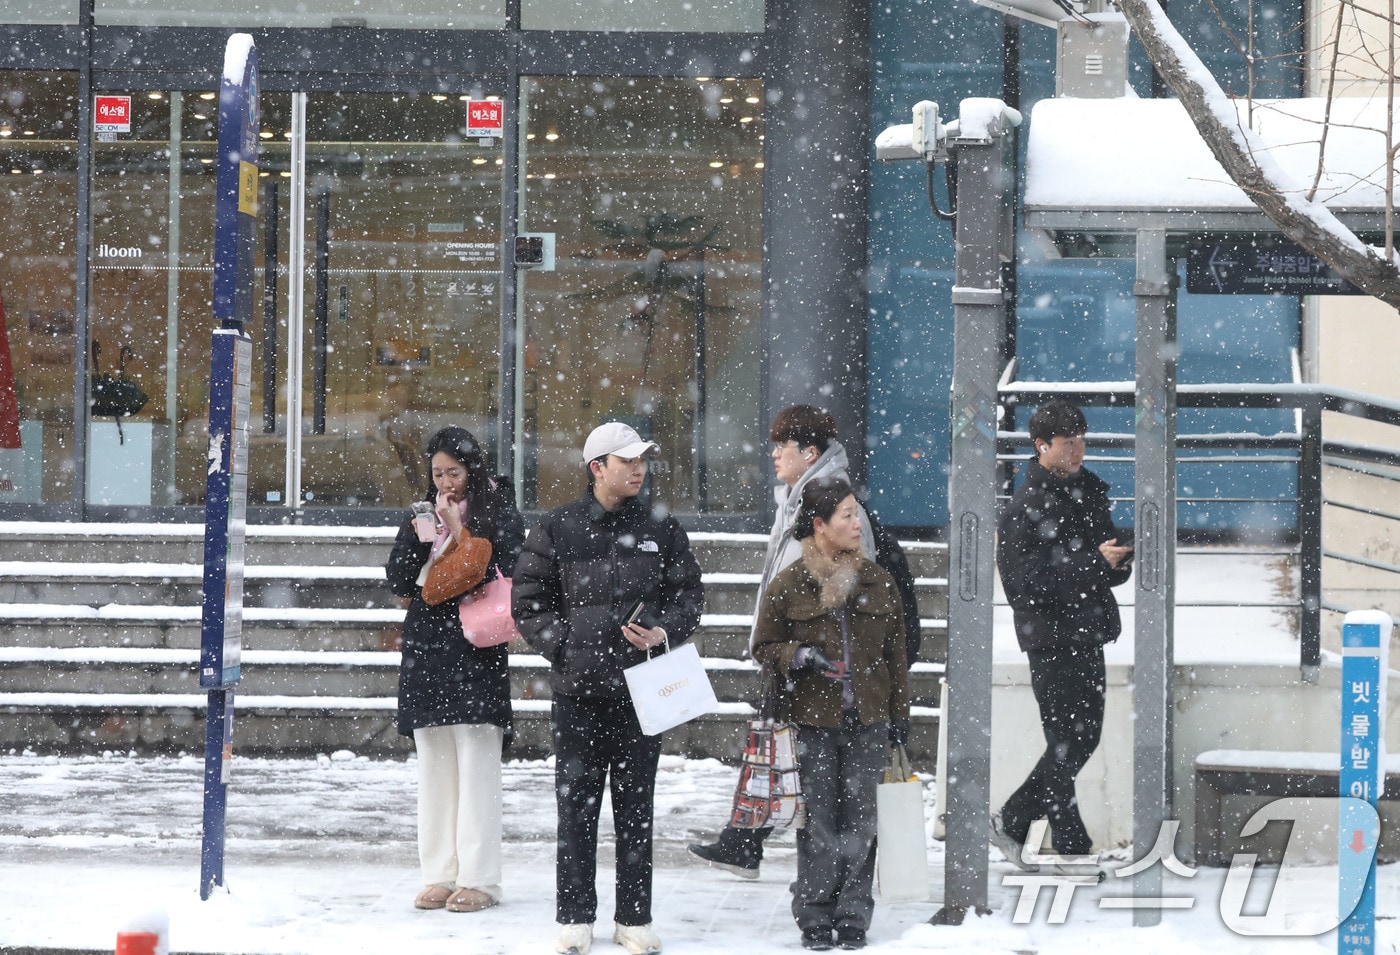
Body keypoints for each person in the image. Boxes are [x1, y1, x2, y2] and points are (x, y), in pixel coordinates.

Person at [687, 405, 921, 879]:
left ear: (809, 452)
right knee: (776, 753)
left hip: (821, 667)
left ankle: (805, 871)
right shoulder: (799, 497)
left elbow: (860, 585)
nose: (773, 455)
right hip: (796, 655)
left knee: (801, 766)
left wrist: (819, 654)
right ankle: (749, 843)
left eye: (782, 447)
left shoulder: (833, 503)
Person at [512, 421, 705, 955]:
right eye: (627, 461)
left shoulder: (662, 529)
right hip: (578, 694)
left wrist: (664, 628)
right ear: (597, 467)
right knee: (575, 808)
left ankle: (634, 918)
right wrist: (567, 647)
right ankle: (575, 917)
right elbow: (528, 603)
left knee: (636, 807)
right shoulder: (556, 527)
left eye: (643, 460)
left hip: (643, 692)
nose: (639, 470)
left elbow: (690, 594)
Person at [751, 476, 910, 952]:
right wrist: (799, 656)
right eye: (846, 515)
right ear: (819, 525)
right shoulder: (790, 583)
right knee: (818, 821)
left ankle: (854, 913)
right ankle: (816, 913)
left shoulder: (878, 580)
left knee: (862, 822)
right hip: (812, 721)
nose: (857, 523)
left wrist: (899, 717)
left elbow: (897, 657)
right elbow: (764, 646)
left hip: (869, 719)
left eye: (855, 513)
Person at [384, 426, 526, 913]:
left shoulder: (499, 512)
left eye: (455, 472)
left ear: (473, 469)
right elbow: (399, 578)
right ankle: (439, 873)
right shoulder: (422, 514)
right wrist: (427, 538)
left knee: (477, 763)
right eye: (438, 473)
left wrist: (460, 534)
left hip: (475, 648)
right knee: (435, 764)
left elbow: (500, 568)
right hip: (427, 648)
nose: (446, 482)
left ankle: (480, 878)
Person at [989, 400, 1133, 870]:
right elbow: (1024, 585)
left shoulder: (1087, 492)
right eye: (1067, 443)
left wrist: (1117, 559)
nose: (1077, 450)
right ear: (1041, 446)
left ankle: (1056, 835)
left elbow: (1098, 566)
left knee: (1074, 740)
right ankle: (1030, 826)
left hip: (1085, 629)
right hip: (1051, 637)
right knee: (1072, 740)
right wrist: (1097, 563)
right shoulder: (1025, 506)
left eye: (1082, 440)